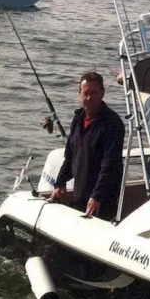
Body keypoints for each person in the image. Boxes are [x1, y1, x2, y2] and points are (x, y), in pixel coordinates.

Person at [50, 71, 125, 221]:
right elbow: (70, 157)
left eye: (94, 93)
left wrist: (97, 196)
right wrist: (60, 182)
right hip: (80, 196)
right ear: (80, 94)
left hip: (102, 201)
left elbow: (109, 165)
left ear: (102, 94)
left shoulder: (112, 123)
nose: (89, 97)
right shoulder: (78, 119)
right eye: (86, 93)